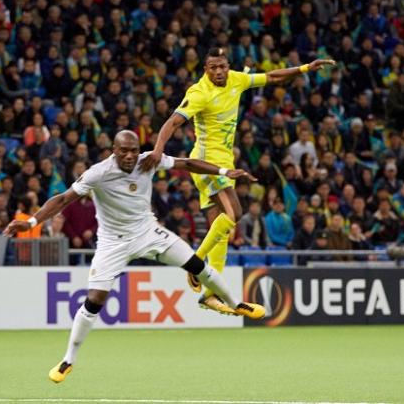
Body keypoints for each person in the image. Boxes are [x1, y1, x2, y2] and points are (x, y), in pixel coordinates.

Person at [4, 131, 266, 383]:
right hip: (112, 243)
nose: (130, 156)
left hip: (148, 232)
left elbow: (187, 164)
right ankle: (67, 360)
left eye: (134, 150)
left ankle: (235, 303)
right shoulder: (98, 173)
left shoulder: (148, 161)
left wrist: (222, 172)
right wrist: (31, 222)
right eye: (124, 151)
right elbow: (62, 199)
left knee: (197, 264)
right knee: (94, 300)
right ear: (114, 151)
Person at [140, 47, 335, 311]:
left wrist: (303, 68)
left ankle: (210, 293)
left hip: (225, 161)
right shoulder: (198, 92)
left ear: (227, 65)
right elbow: (172, 122)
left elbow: (272, 77)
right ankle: (195, 263)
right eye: (213, 67)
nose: (219, 71)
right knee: (235, 212)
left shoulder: (236, 79)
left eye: (222, 66)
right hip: (207, 162)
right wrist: (158, 149)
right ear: (205, 69)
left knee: (221, 232)